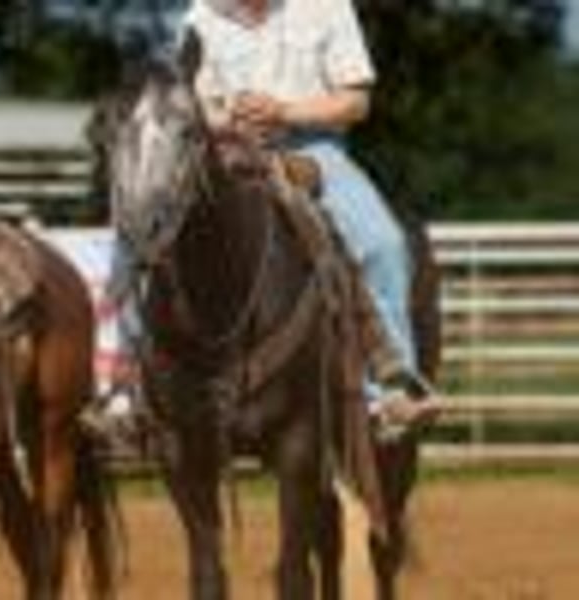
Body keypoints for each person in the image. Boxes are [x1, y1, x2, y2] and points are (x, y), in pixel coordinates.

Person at [178, 0, 440, 438]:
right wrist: (227, 119)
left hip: (313, 150)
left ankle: (391, 388)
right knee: (150, 235)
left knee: (383, 243)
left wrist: (283, 112)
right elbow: (190, 104)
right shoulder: (200, 16)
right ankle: (130, 385)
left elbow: (356, 103)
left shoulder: (327, 6)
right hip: (225, 154)